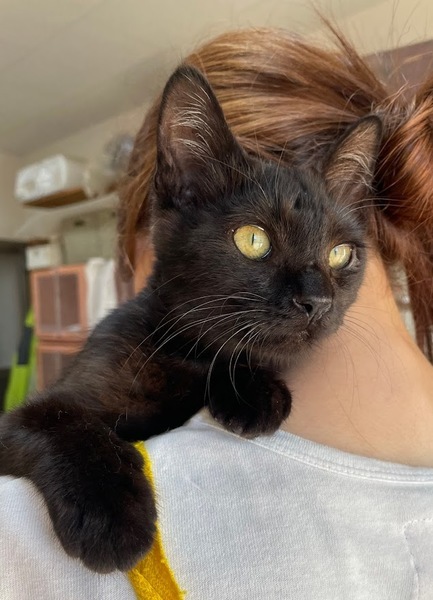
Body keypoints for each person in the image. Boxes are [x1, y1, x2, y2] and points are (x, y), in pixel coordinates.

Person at [2, 25, 433, 600]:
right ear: (181, 196)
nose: (317, 295)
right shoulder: (138, 342)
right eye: (256, 242)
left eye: (338, 257)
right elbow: (31, 426)